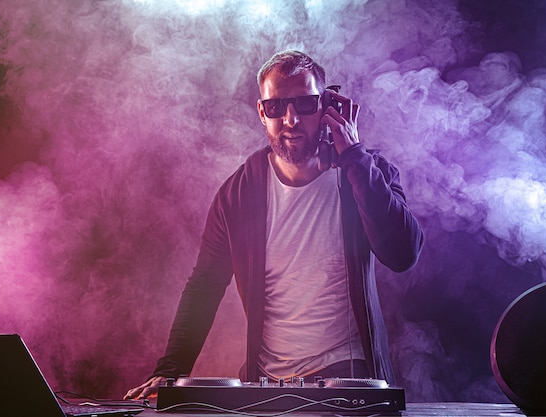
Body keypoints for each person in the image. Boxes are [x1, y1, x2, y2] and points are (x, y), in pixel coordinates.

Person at [124, 50, 424, 400]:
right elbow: (204, 286)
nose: (291, 119)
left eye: (305, 104)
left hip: (349, 382)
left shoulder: (367, 172)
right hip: (267, 386)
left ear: (329, 106)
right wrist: (170, 371)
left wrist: (355, 157)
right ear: (262, 112)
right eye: (277, 107)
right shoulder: (239, 193)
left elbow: (403, 254)